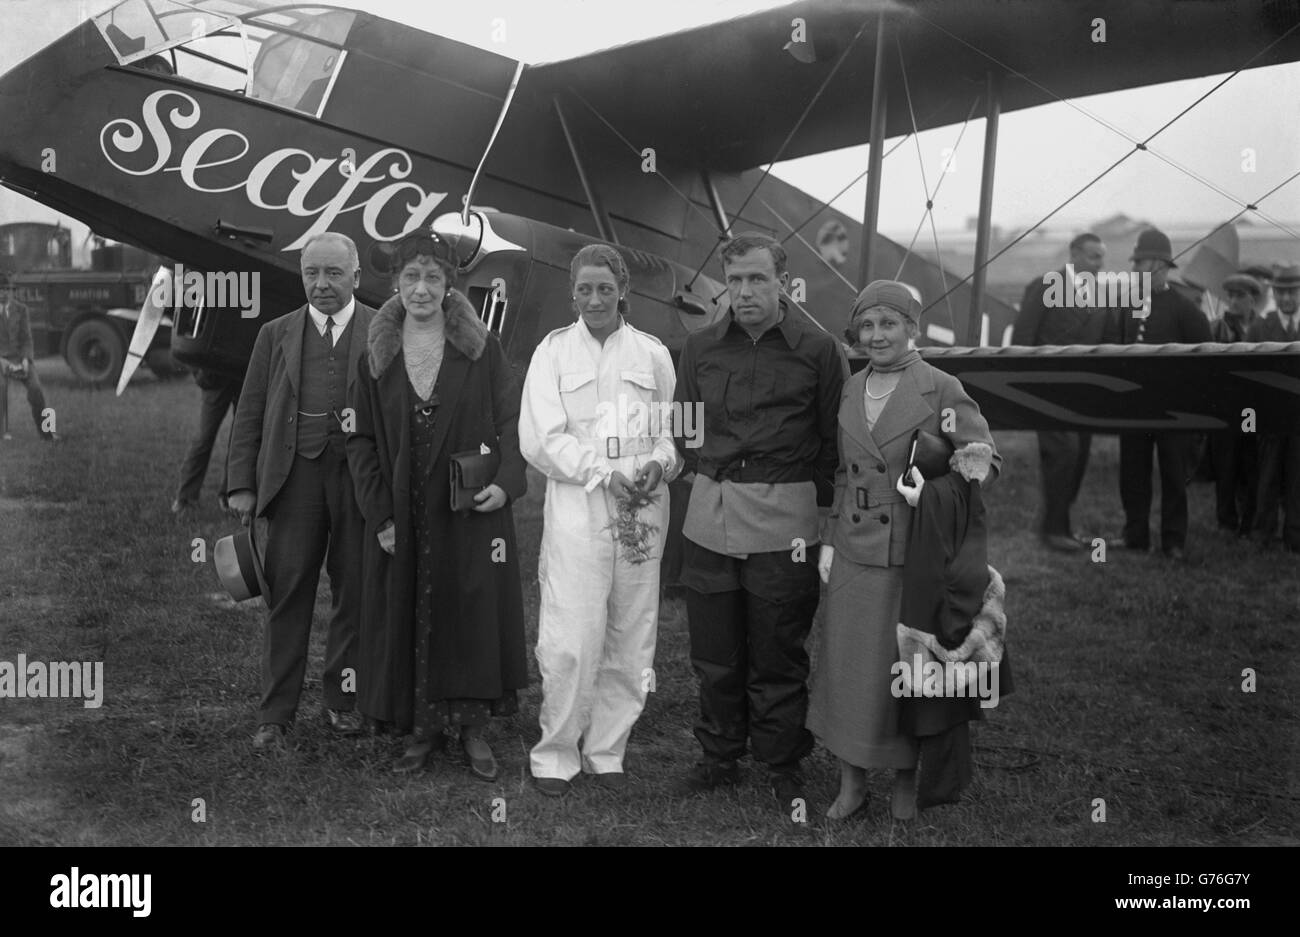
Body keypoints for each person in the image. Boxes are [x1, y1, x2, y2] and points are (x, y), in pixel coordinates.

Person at [809, 279, 1001, 821]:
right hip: (851, 553)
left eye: (888, 323)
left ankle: (905, 782)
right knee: (846, 671)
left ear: (912, 329)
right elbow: (845, 472)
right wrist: (829, 538)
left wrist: (937, 490)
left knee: (905, 675)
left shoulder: (941, 388)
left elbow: (983, 459)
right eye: (866, 326)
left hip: (911, 556)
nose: (876, 335)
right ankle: (850, 782)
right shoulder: (850, 387)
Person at [672, 231, 848, 811]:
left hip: (784, 518)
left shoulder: (819, 351)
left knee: (778, 646)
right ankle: (719, 757)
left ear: (782, 283)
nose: (745, 292)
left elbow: (831, 441)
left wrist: (802, 498)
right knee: (716, 649)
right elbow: (688, 430)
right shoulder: (699, 348)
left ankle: (781, 763)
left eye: (757, 279)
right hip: (711, 514)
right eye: (736, 281)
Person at [346, 232, 528, 779]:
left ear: (449, 285)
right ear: (395, 285)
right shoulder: (376, 353)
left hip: (470, 508)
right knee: (413, 610)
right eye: (410, 279)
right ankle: (422, 729)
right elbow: (359, 439)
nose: (421, 289)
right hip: (403, 508)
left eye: (432, 278)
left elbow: (512, 419)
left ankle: (472, 730)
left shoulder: (482, 346)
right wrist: (380, 514)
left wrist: (507, 479)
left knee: (469, 611)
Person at [519, 243, 681, 796]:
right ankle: (555, 754)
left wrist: (660, 465)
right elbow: (539, 439)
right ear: (572, 294)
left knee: (632, 632)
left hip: (644, 509)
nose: (594, 299)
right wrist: (601, 471)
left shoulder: (654, 354)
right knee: (571, 634)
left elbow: (671, 435)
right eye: (584, 289)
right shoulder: (553, 353)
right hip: (579, 509)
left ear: (622, 292)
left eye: (604, 288)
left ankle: (607, 751)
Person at [226, 232, 374, 747]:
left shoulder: (382, 330)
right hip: (295, 478)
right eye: (312, 273)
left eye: (333, 273)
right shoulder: (276, 333)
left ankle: (344, 701)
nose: (321, 284)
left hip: (360, 481)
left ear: (356, 277)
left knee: (354, 591)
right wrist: (242, 484)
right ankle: (275, 713)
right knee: (288, 592)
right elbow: (249, 411)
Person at [1102, 228, 1213, 560]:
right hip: (1134, 409)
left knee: (1173, 476)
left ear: (1162, 267)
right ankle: (1135, 534)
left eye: (1143, 264)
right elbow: (1113, 351)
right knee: (1132, 474)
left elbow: (1206, 362)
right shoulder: (1125, 306)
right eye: (1135, 264)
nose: (1136, 270)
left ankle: (1173, 541)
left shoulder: (1186, 310)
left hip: (1172, 411)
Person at [1012, 232, 1108, 552]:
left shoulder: (1099, 294)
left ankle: (1061, 526)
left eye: (1101, 258)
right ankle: (1053, 531)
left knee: (1077, 458)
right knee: (1063, 454)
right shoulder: (1043, 287)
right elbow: (1023, 338)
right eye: (1094, 256)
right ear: (1075, 254)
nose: (1099, 264)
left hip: (1082, 393)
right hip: (1047, 391)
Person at [1245, 264, 1300, 552]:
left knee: (1297, 477)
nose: (1287, 299)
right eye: (1282, 293)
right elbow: (1245, 370)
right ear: (1274, 295)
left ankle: (1295, 534)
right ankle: (1262, 531)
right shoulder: (1260, 327)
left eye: (1293, 292)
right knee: (1267, 475)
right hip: (1268, 415)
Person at [1207, 273, 1261, 535]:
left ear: (1254, 300)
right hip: (1227, 407)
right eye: (1231, 296)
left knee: (1252, 465)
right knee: (1226, 466)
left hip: (1255, 409)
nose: (1234, 302)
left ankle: (1249, 520)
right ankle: (1226, 521)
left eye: (1240, 296)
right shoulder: (1218, 328)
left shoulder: (1262, 328)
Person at [172, 366, 245, 515]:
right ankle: (185, 498)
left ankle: (229, 494)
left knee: (240, 439)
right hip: (216, 376)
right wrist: (200, 372)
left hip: (242, 374)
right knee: (204, 438)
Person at [0, 272, 56, 442]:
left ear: (11, 291)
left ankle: (47, 432)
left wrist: (25, 359)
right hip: (0, 360)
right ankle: (2, 433)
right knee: (0, 388)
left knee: (36, 389)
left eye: (6, 289)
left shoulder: (21, 309)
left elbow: (27, 339)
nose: (3, 293)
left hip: (19, 358)